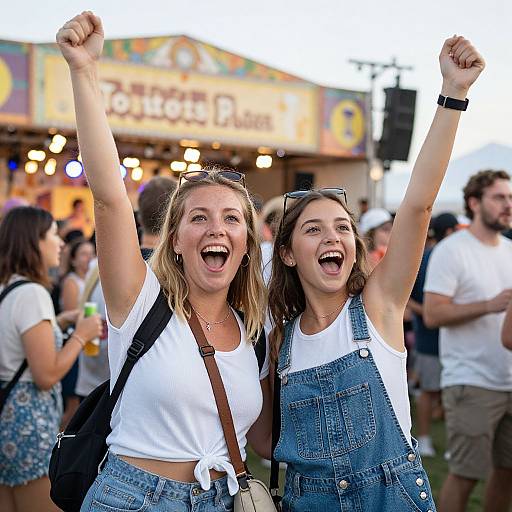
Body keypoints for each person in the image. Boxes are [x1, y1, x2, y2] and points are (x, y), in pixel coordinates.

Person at [57, 12, 272, 512]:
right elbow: (110, 197)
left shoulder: (253, 331)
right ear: (174, 239)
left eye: (231, 220)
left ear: (246, 244)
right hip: (134, 499)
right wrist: (84, 72)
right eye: (199, 217)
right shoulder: (142, 303)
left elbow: (265, 439)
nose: (216, 228)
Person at [267, 35, 484, 511]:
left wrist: (453, 94)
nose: (333, 238)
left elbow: (418, 205)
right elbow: (266, 442)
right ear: (286, 253)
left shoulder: (379, 307)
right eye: (314, 229)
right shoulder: (280, 343)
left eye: (342, 228)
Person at [0, 206, 102, 512]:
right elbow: (45, 374)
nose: (60, 244)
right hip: (28, 422)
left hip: (8, 419)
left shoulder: (9, 287)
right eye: (53, 235)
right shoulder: (33, 293)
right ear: (34, 242)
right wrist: (81, 335)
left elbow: (17, 343)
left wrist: (58, 322)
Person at [423, 170, 512, 512]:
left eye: (509, 198)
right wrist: (488, 306)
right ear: (474, 203)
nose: (507, 205)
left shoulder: (509, 249)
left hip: (508, 377)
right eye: (499, 197)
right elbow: (433, 314)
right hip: (470, 380)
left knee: (506, 473)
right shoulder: (452, 250)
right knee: (465, 474)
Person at [408, 212, 458, 457]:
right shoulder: (426, 257)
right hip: (430, 337)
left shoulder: (444, 256)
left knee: (446, 392)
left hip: (450, 336)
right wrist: (427, 313)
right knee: (430, 390)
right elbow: (407, 296)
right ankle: (425, 440)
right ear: (449, 232)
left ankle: (447, 443)